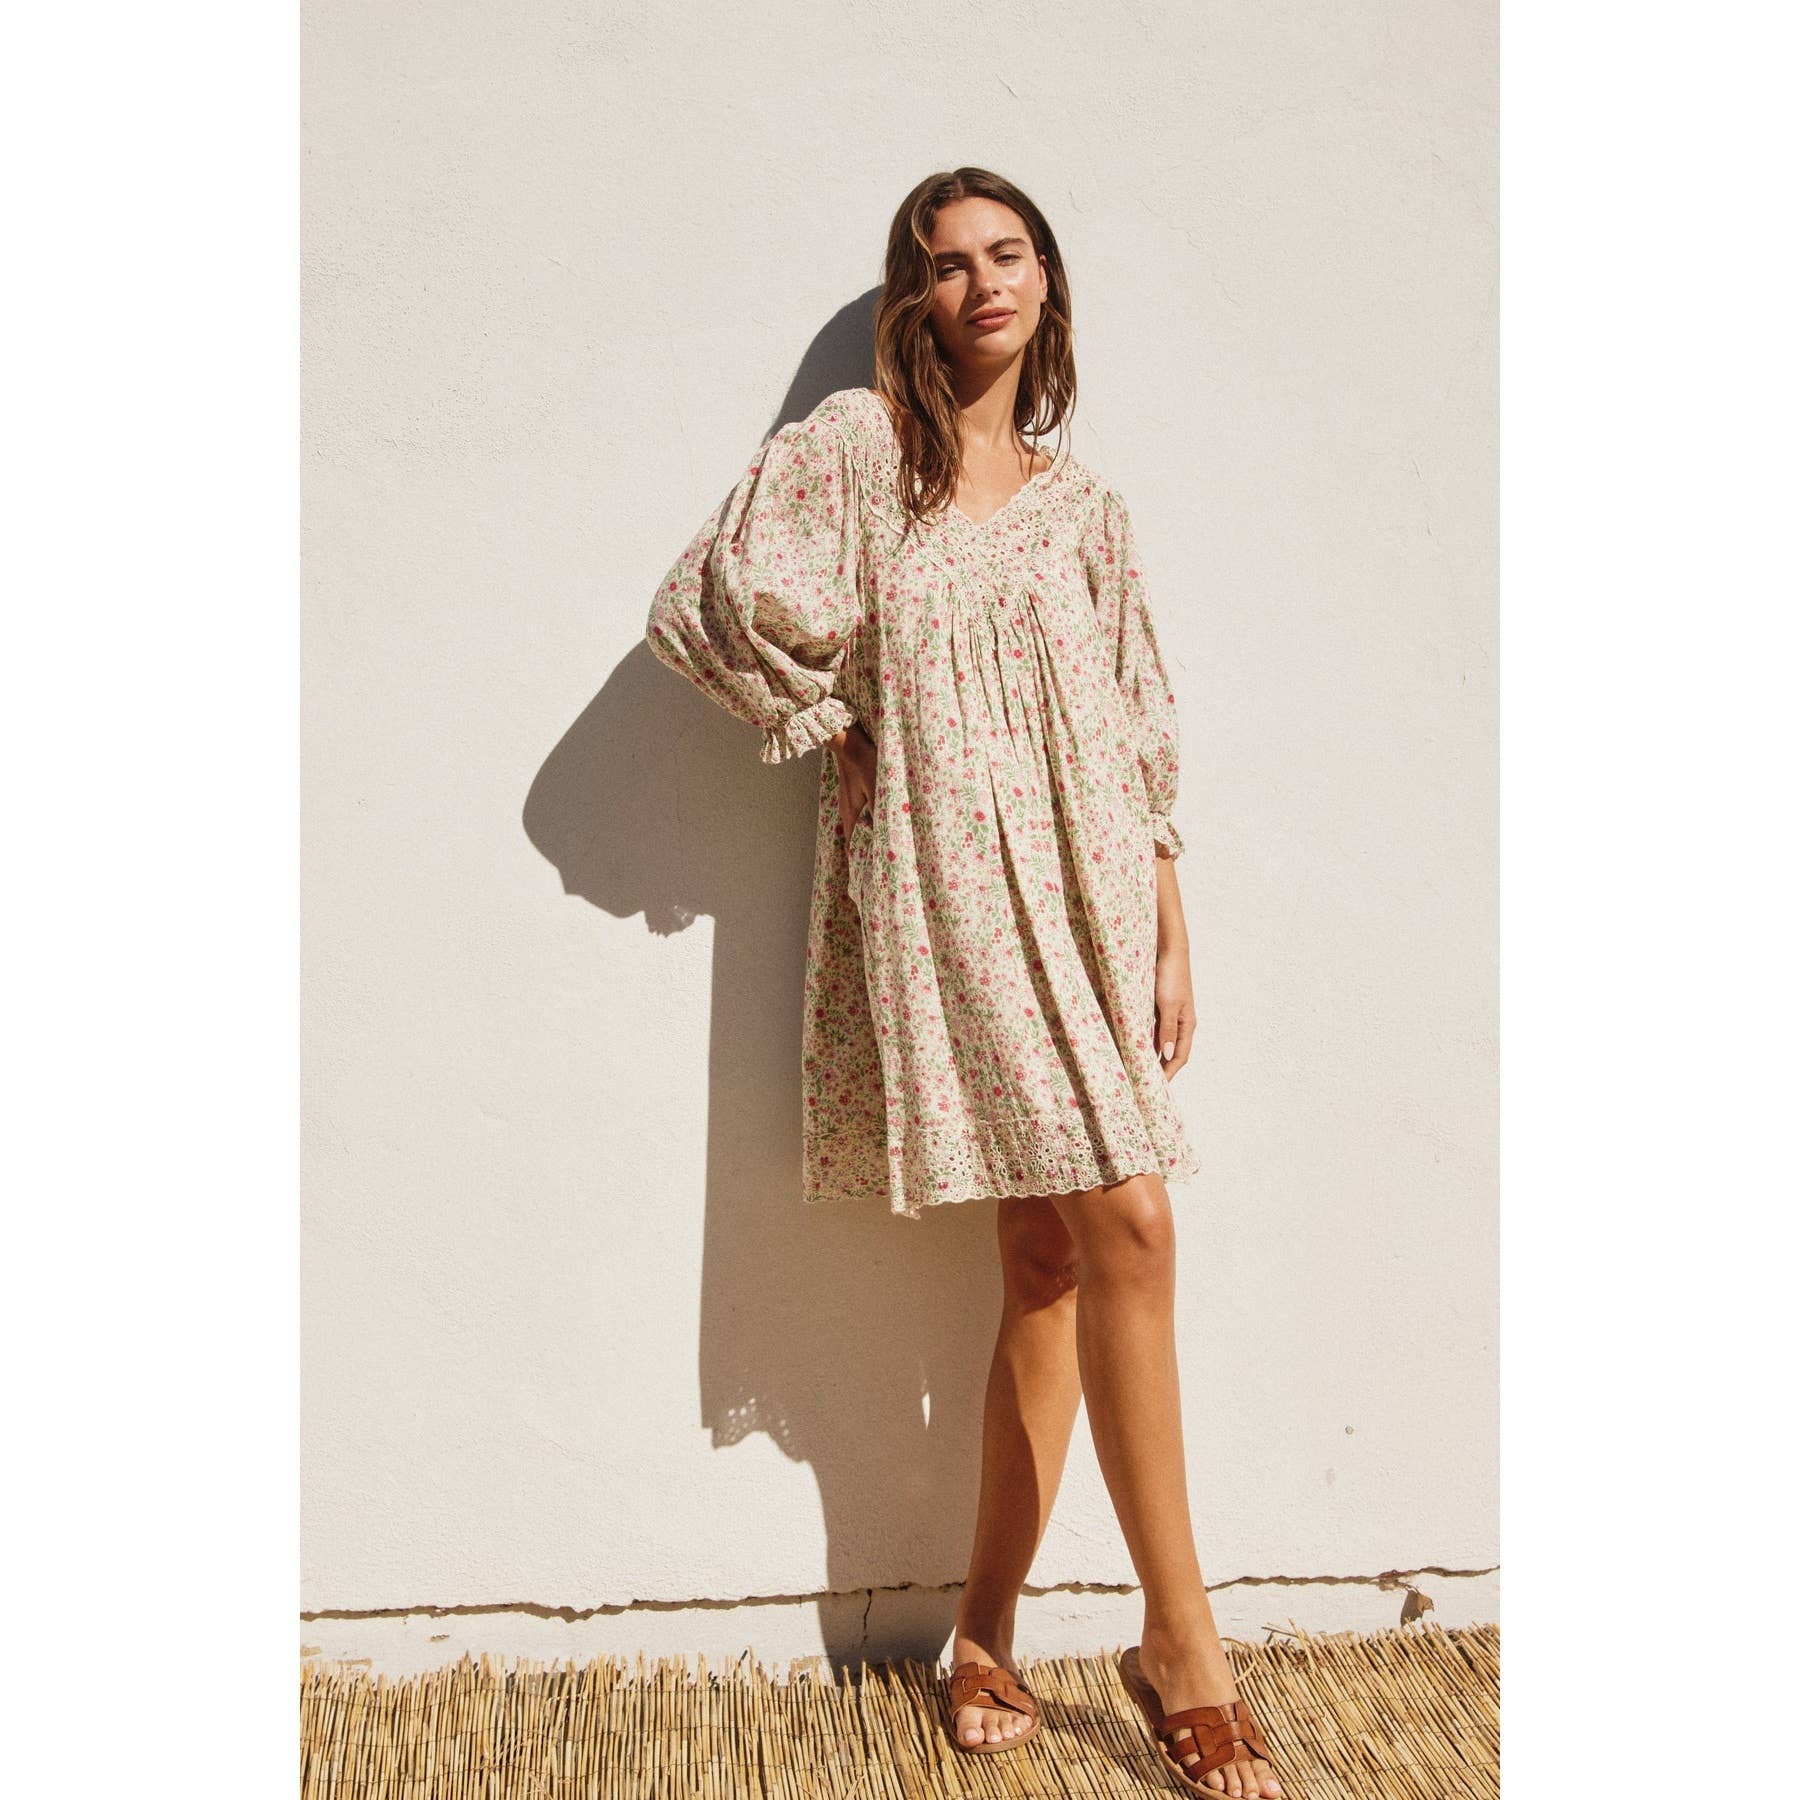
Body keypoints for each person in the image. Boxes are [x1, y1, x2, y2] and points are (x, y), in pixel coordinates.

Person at [645, 167, 1281, 1800]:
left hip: (1089, 891)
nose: (982, 281)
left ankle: (985, 1625)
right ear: (913, 299)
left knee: (1058, 1251)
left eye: (1009, 254)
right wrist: (833, 709)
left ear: (1047, 283)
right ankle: (1183, 1643)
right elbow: (711, 594)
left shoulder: (1090, 513)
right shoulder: (864, 454)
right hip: (947, 890)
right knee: (1130, 1222)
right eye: (947, 263)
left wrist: (1169, 915)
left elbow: (1134, 725)